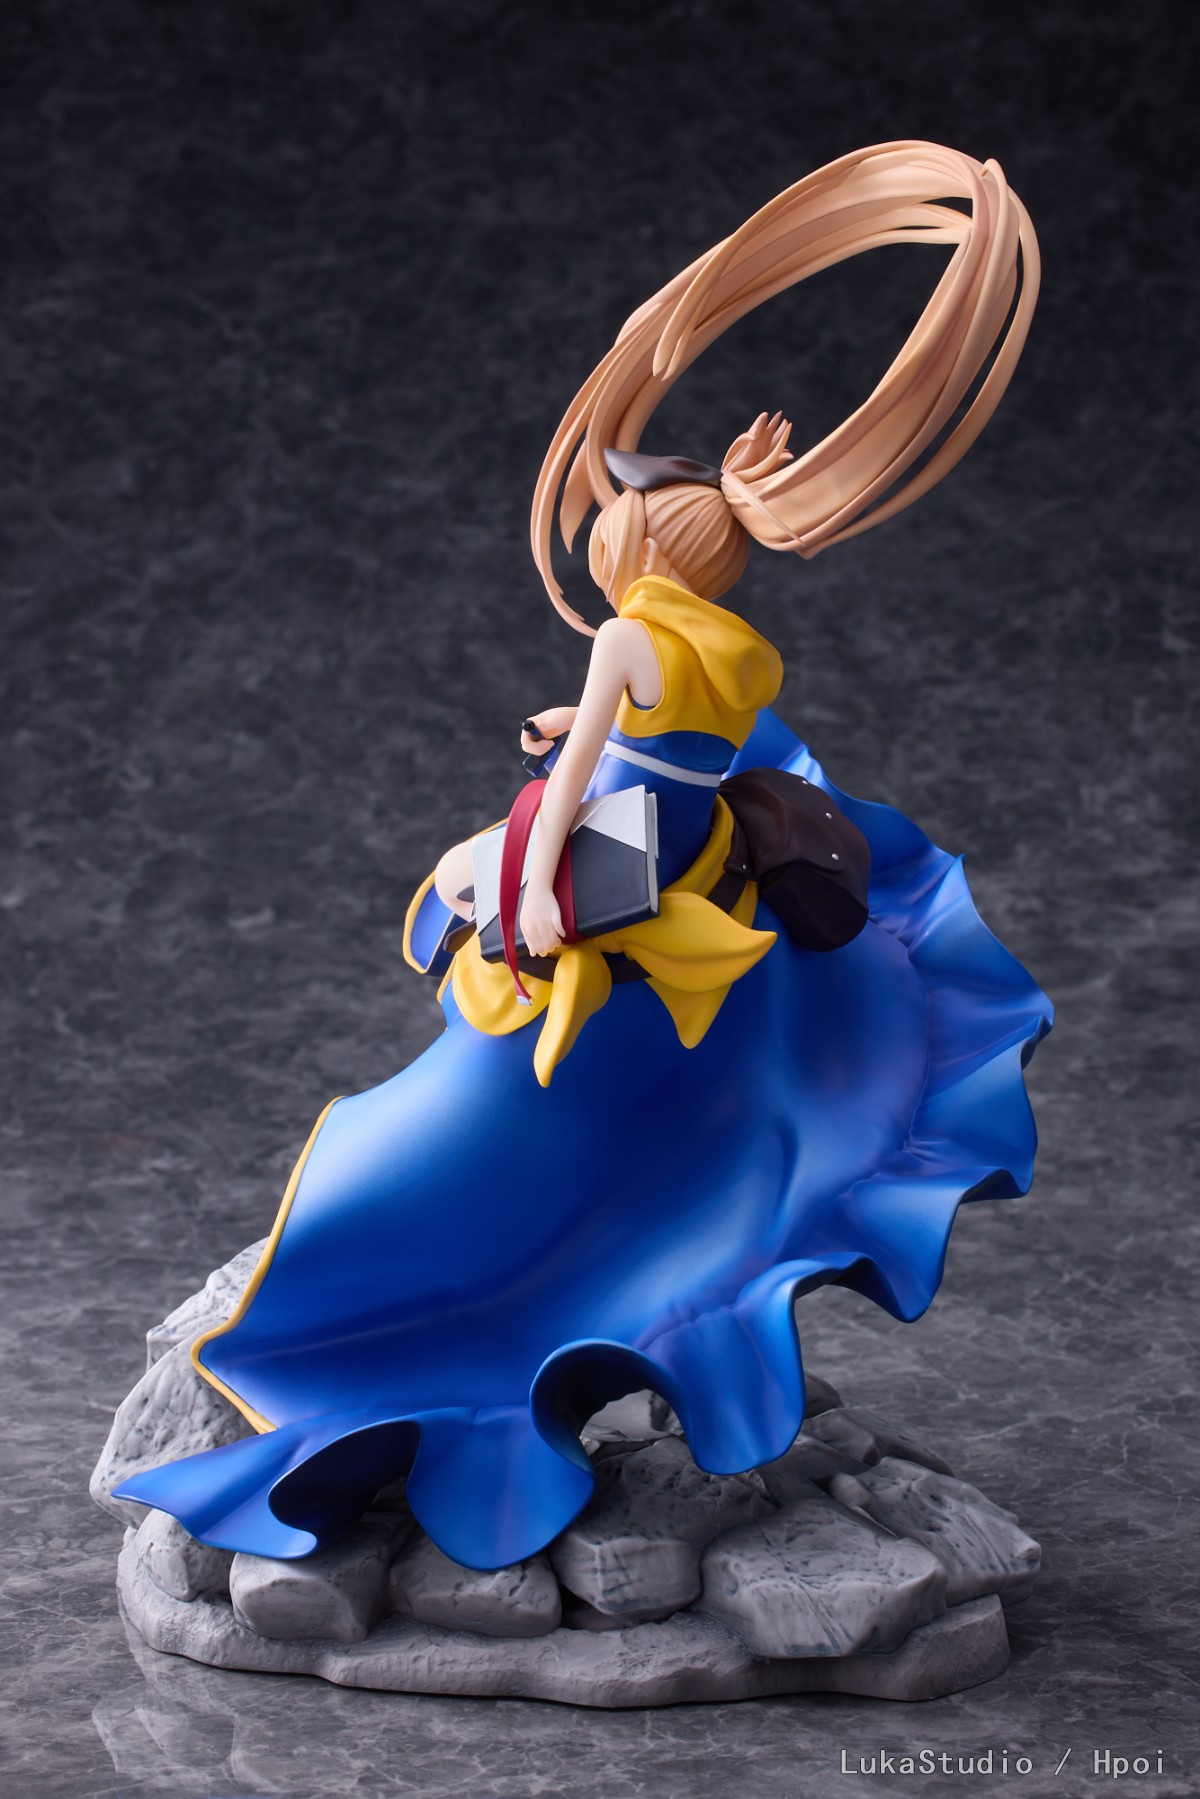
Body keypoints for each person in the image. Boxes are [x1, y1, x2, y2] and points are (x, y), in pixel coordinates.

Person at [115, 142, 1052, 1572]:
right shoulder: (733, 643)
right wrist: (585, 737)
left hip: (621, 844)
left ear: (639, 559)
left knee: (468, 885)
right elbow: (679, 739)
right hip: (687, 825)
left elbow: (583, 775)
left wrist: (533, 871)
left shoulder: (627, 631)